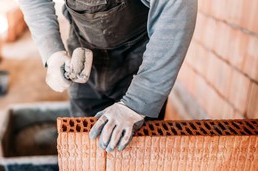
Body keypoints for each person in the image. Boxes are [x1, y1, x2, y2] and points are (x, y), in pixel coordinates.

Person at [18, 0, 197, 152]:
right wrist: (52, 52)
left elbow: (176, 7)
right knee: (84, 151)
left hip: (138, 62)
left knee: (134, 159)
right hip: (84, 52)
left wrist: (139, 101)